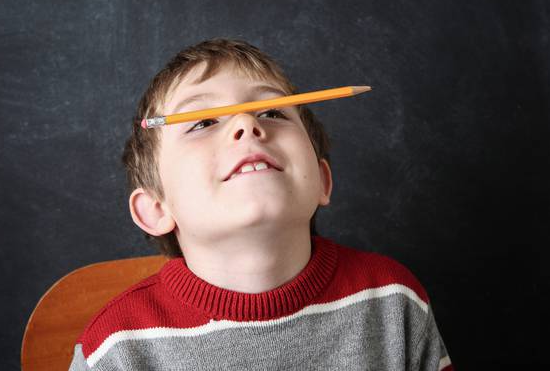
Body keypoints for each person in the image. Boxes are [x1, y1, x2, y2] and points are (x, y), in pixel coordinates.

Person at [68, 38, 453, 370]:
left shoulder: (393, 301)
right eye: (203, 121)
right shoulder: (116, 349)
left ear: (321, 180)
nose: (247, 124)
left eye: (272, 112)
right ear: (155, 208)